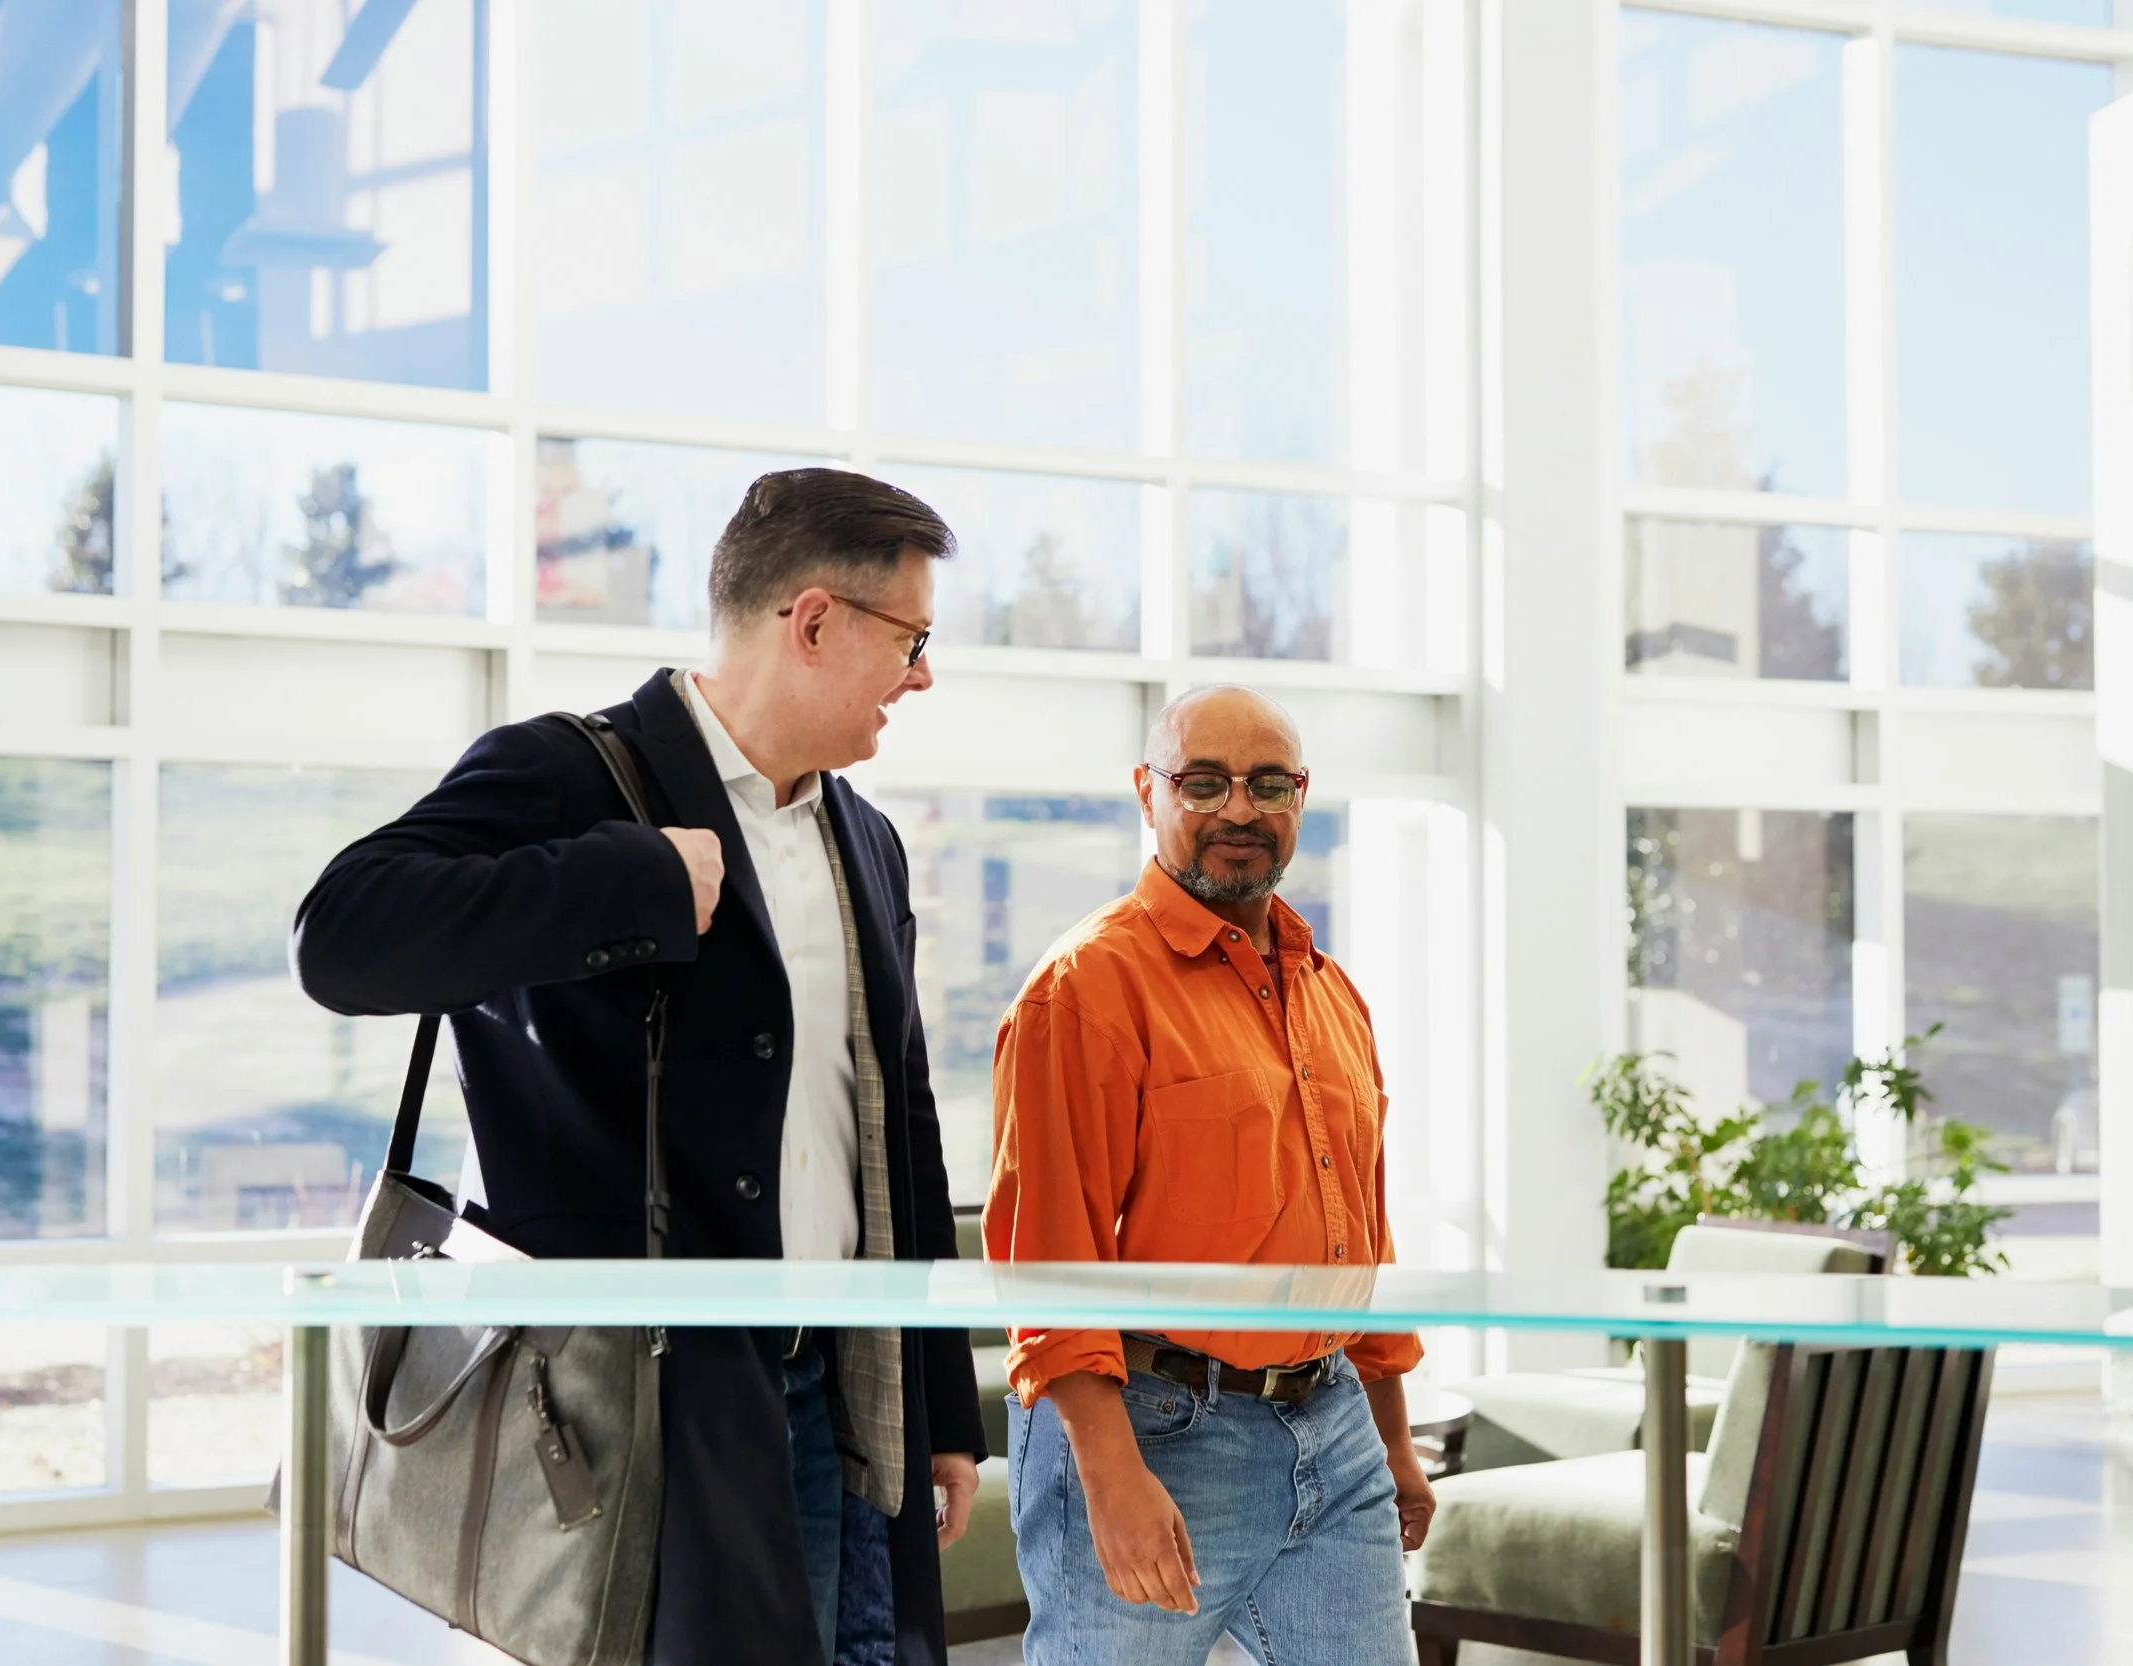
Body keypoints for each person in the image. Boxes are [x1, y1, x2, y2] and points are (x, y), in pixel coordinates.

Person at [292, 468, 985, 1666]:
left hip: (834, 1383)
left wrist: (937, 1407)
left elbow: (897, 1122)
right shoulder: (569, 773)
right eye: (911, 638)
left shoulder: (864, 838)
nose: (922, 674)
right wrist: (632, 880)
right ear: (813, 622)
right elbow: (342, 936)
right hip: (638, 1402)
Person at [983, 685, 1437, 1665]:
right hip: (1155, 1432)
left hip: (1334, 1426)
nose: (1239, 808)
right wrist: (1109, 1477)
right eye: (1204, 782)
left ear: (1300, 799)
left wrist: (1391, 1434)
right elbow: (1046, 1258)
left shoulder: (1328, 990)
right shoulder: (1086, 987)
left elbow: (1358, 1231)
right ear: (1148, 794)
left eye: (1267, 783)